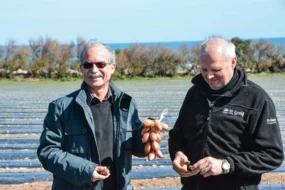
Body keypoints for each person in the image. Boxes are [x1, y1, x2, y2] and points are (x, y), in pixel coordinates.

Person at [168, 38, 284, 190]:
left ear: (233, 62)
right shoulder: (194, 94)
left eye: (216, 70)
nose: (209, 76)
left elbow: (272, 155)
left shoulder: (256, 99)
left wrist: (226, 165)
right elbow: (177, 135)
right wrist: (177, 153)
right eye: (204, 70)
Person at [37, 41, 147, 190]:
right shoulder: (61, 107)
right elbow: (47, 152)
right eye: (88, 65)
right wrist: (87, 171)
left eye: (100, 64)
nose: (94, 70)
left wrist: (147, 135)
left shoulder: (126, 104)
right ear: (81, 69)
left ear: (112, 67)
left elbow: (138, 149)